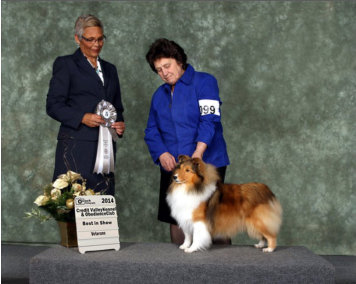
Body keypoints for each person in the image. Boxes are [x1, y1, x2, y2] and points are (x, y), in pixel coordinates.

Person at [144, 38, 230, 245]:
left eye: (167, 66)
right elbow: (151, 131)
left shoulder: (205, 82)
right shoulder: (159, 95)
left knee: (211, 219)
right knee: (178, 219)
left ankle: (225, 269)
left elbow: (209, 121)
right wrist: (161, 153)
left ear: (179, 61)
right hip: (174, 167)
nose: (164, 73)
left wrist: (198, 152)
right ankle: (182, 269)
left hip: (206, 163)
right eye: (158, 70)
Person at [46, 15, 125, 196]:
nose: (96, 44)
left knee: (100, 212)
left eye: (100, 39)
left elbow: (117, 107)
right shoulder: (65, 64)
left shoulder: (110, 69)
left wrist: (119, 124)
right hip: (75, 149)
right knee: (73, 208)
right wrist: (82, 117)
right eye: (90, 39)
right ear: (77, 38)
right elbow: (53, 105)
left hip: (106, 153)